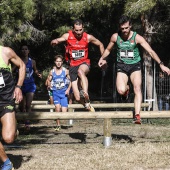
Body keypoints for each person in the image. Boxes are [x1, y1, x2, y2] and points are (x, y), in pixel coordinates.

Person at [98, 15, 170, 124]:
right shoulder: (115, 37)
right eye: (122, 28)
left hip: (134, 66)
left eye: (126, 28)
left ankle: (137, 115)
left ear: (130, 26)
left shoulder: (137, 38)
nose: (124, 30)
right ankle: (126, 90)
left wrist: (161, 64)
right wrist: (102, 58)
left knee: (137, 88)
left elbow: (150, 51)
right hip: (121, 66)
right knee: (121, 90)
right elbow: (108, 49)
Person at [51, 19, 104, 112]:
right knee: (77, 97)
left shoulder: (88, 37)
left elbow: (100, 44)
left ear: (83, 28)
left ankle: (85, 92)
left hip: (84, 63)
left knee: (81, 71)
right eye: (77, 30)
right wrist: (55, 41)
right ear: (73, 29)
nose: (79, 32)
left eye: (80, 30)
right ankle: (87, 105)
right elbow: (59, 39)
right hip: (72, 66)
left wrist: (103, 58)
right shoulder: (68, 36)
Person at [0, 45, 25, 170]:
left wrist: (18, 87)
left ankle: (14, 128)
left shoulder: (5, 51)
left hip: (5, 100)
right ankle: (6, 162)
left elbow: (22, 65)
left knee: (8, 138)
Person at [14, 44, 42, 130]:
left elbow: (35, 69)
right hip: (21, 85)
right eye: (22, 49)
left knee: (28, 104)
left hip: (30, 85)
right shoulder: (17, 61)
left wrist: (38, 74)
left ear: (28, 51)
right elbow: (12, 69)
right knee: (22, 106)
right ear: (21, 51)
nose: (24, 51)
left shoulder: (32, 61)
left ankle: (27, 123)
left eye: (26, 49)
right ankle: (23, 117)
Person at [47, 55, 71, 131]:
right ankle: (58, 125)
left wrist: (68, 89)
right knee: (57, 108)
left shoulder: (65, 71)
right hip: (56, 93)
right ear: (55, 62)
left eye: (60, 61)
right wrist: (49, 84)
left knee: (64, 113)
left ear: (62, 62)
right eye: (57, 61)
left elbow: (71, 81)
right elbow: (48, 80)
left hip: (64, 93)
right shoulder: (52, 71)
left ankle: (59, 121)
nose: (58, 63)